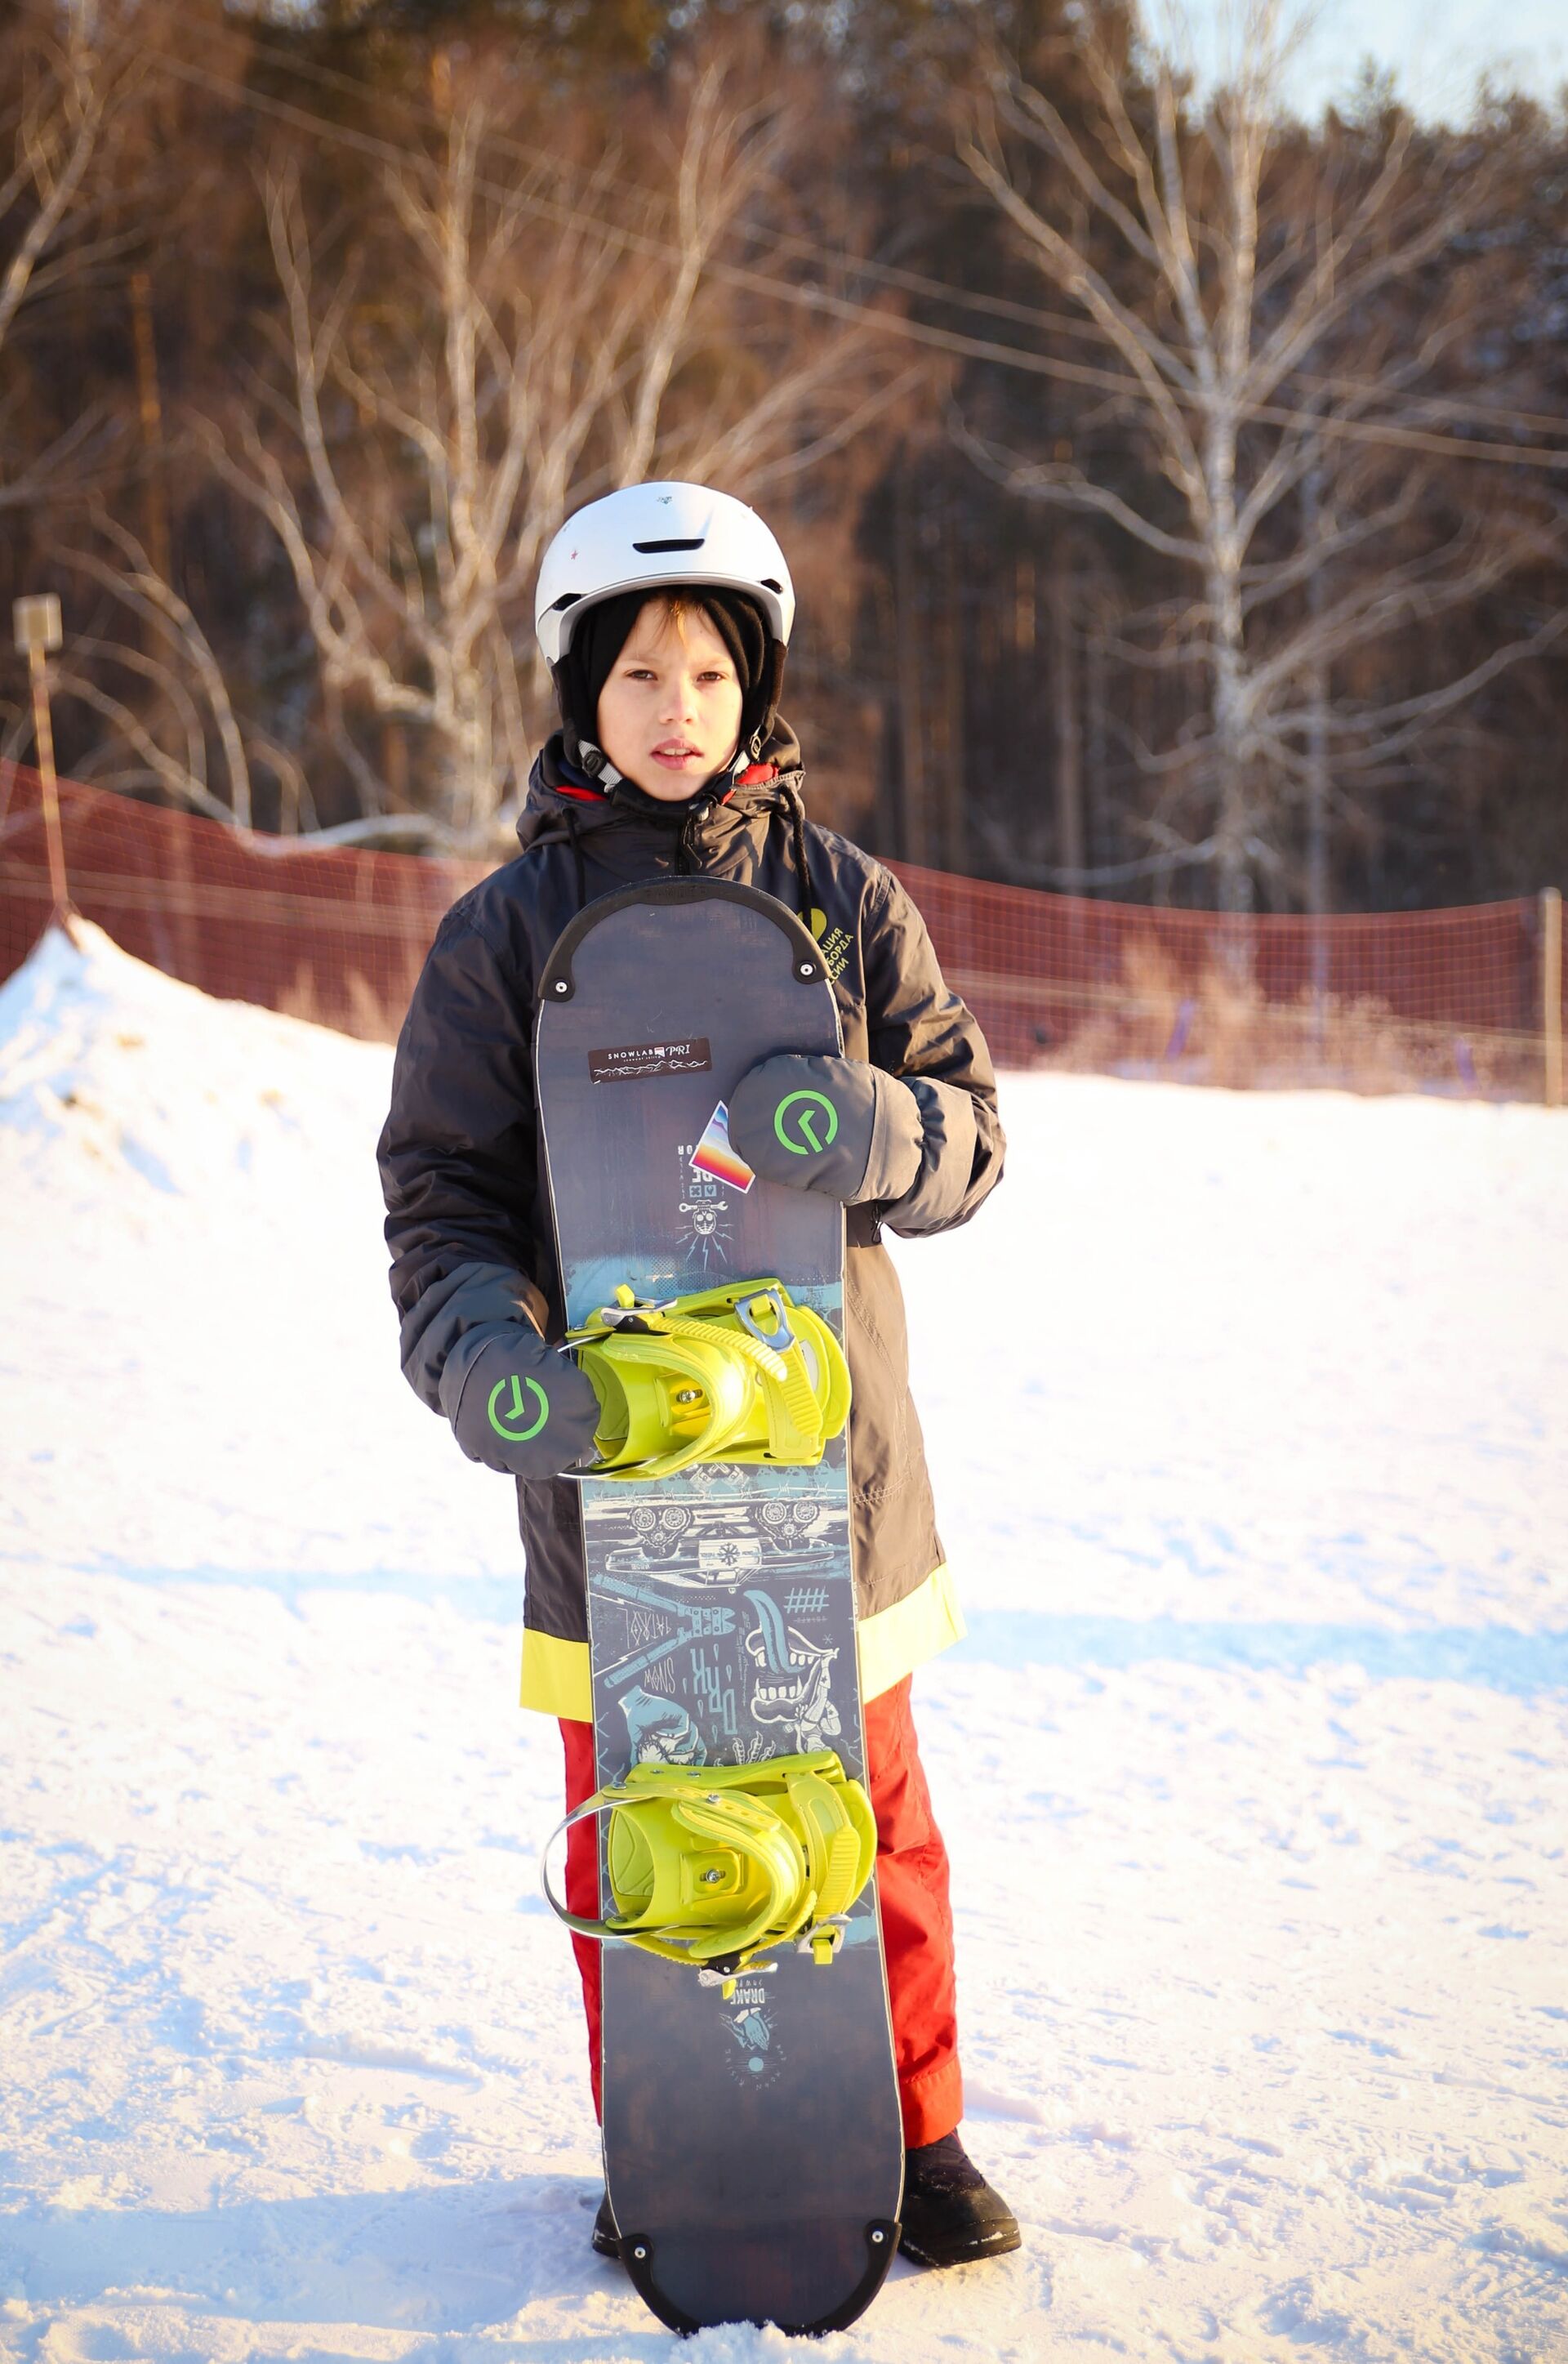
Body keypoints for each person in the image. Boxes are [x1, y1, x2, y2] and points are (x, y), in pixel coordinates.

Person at [377, 482, 1018, 2272]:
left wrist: (876, 1124)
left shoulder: (844, 899)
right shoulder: (501, 939)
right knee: (636, 1823)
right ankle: (661, 2138)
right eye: (640, 674)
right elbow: (439, 1200)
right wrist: (489, 1354)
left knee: (867, 1811)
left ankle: (926, 2124)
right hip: (612, 1477)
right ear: (581, 696)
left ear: (759, 696)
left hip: (833, 1478)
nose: (677, 710)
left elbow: (972, 1140)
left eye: (711, 677)